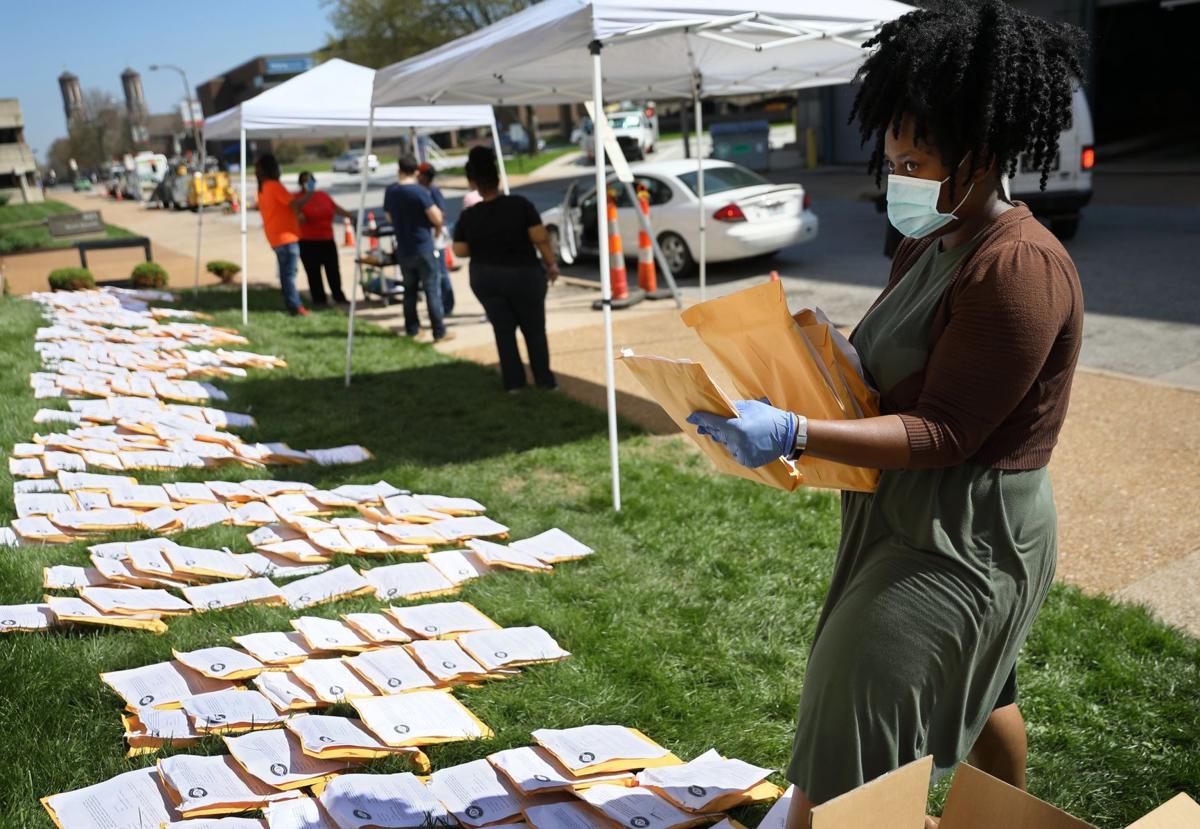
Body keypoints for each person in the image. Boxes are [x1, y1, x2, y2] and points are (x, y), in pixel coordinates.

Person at [686, 3, 1086, 827]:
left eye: (915, 158)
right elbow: (896, 372)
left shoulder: (1019, 268)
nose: (897, 174)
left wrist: (797, 433)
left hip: (967, 534)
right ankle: (1004, 821)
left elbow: (946, 431)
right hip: (902, 509)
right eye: (892, 155)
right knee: (985, 689)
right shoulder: (928, 238)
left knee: (851, 721)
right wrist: (819, 359)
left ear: (979, 158)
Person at [453, 146, 559, 392]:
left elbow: (460, 250)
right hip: (524, 275)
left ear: (473, 183)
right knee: (534, 329)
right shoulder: (520, 205)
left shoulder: (469, 215)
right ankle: (544, 380)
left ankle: (514, 383)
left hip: (485, 278)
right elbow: (540, 237)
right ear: (498, 178)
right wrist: (550, 264)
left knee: (503, 330)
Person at [383, 155, 450, 341]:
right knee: (431, 290)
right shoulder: (420, 192)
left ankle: (412, 329)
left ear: (399, 170)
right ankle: (439, 331)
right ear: (416, 171)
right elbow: (437, 217)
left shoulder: (391, 191)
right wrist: (434, 229)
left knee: (409, 291)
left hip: (404, 249)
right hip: (423, 247)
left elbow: (389, 217)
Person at [255, 153, 314, 316]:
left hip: (276, 236)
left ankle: (290, 301)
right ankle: (295, 305)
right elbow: (294, 204)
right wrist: (310, 192)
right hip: (286, 237)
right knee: (289, 273)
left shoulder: (262, 188)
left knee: (285, 272)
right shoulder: (274, 185)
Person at [294, 171, 353, 306]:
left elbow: (336, 208)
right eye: (305, 181)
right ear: (301, 184)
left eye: (311, 181)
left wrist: (352, 216)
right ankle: (319, 299)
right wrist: (306, 199)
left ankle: (338, 296)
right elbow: (299, 217)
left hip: (327, 240)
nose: (309, 184)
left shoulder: (322, 195)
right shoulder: (297, 198)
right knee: (314, 273)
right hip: (308, 242)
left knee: (333, 270)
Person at [416, 162, 455, 316]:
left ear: (425, 176)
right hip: (429, 234)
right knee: (433, 272)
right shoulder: (420, 191)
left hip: (436, 234)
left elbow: (441, 214)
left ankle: (447, 304)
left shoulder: (432, 191)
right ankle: (439, 305)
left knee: (441, 271)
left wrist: (437, 232)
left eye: (420, 174)